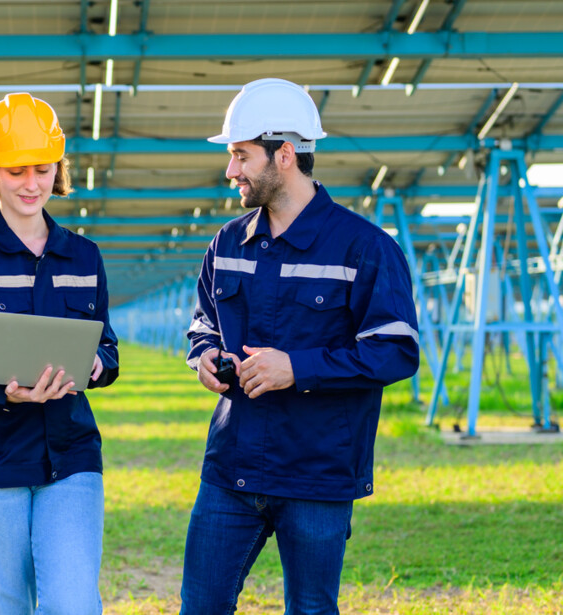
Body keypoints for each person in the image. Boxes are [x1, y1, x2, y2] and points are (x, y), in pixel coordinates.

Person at [181, 78, 420, 615]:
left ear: (284, 154)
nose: (231, 170)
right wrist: (205, 356)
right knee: (200, 605)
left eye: (241, 155)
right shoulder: (227, 243)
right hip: (232, 466)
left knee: (311, 609)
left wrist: (297, 368)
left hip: (318, 472)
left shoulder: (364, 248)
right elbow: (203, 323)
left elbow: (396, 350)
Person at [0, 92, 119, 615]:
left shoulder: (84, 256)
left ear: (58, 169)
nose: (32, 184)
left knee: (73, 604)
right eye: (16, 171)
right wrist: (7, 394)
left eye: (42, 169)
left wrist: (96, 364)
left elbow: (107, 345)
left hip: (70, 456)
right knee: (4, 606)